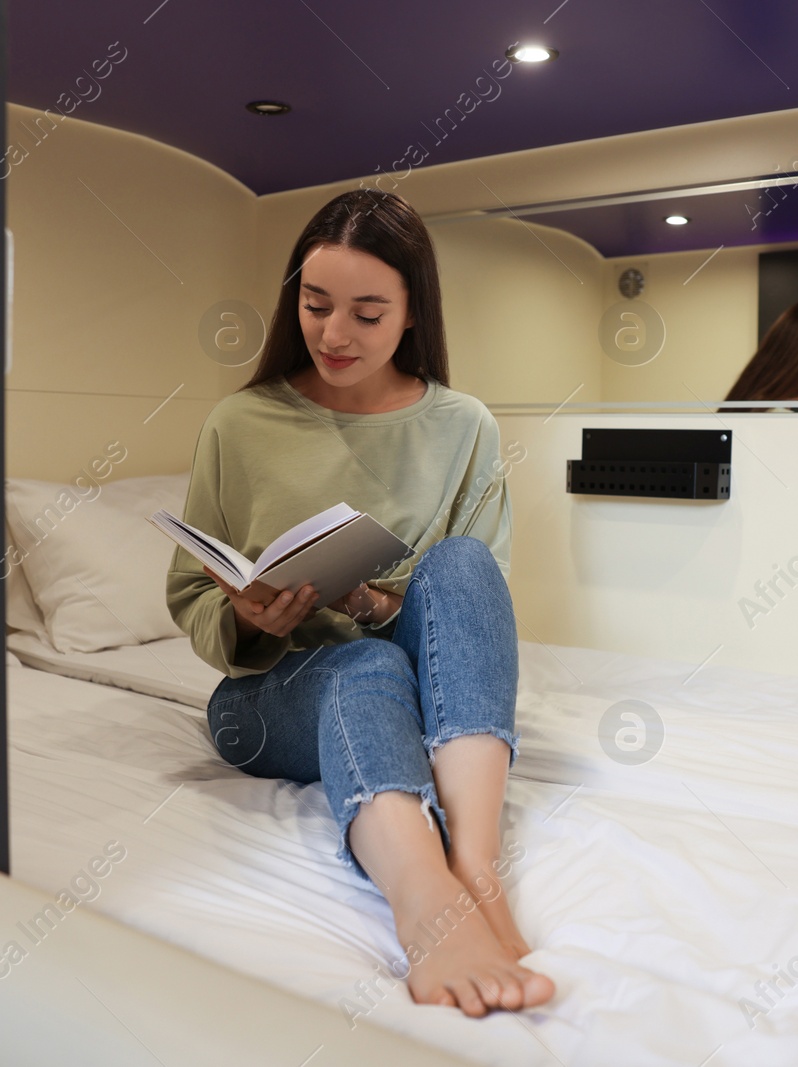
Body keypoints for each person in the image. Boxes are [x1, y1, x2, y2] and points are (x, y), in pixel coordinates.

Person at [164, 189, 555, 1018]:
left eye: (367, 313)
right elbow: (191, 588)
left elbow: (469, 610)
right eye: (315, 305)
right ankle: (423, 898)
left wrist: (378, 601)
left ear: (413, 313)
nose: (334, 334)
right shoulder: (240, 422)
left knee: (459, 562)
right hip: (265, 701)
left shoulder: (465, 426)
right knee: (363, 664)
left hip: (409, 685)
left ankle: (476, 867)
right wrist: (246, 616)